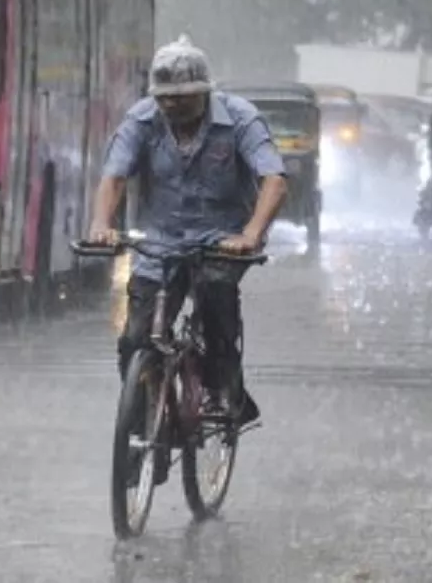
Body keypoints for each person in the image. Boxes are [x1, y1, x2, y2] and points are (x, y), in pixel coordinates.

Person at [87, 34, 288, 429]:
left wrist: (250, 234)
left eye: (182, 98)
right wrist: (101, 225)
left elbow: (275, 181)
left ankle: (223, 387)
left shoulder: (241, 119)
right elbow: (114, 178)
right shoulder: (141, 120)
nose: (171, 106)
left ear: (205, 92)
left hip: (222, 242)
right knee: (134, 340)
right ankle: (146, 418)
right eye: (164, 98)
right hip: (158, 242)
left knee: (215, 299)